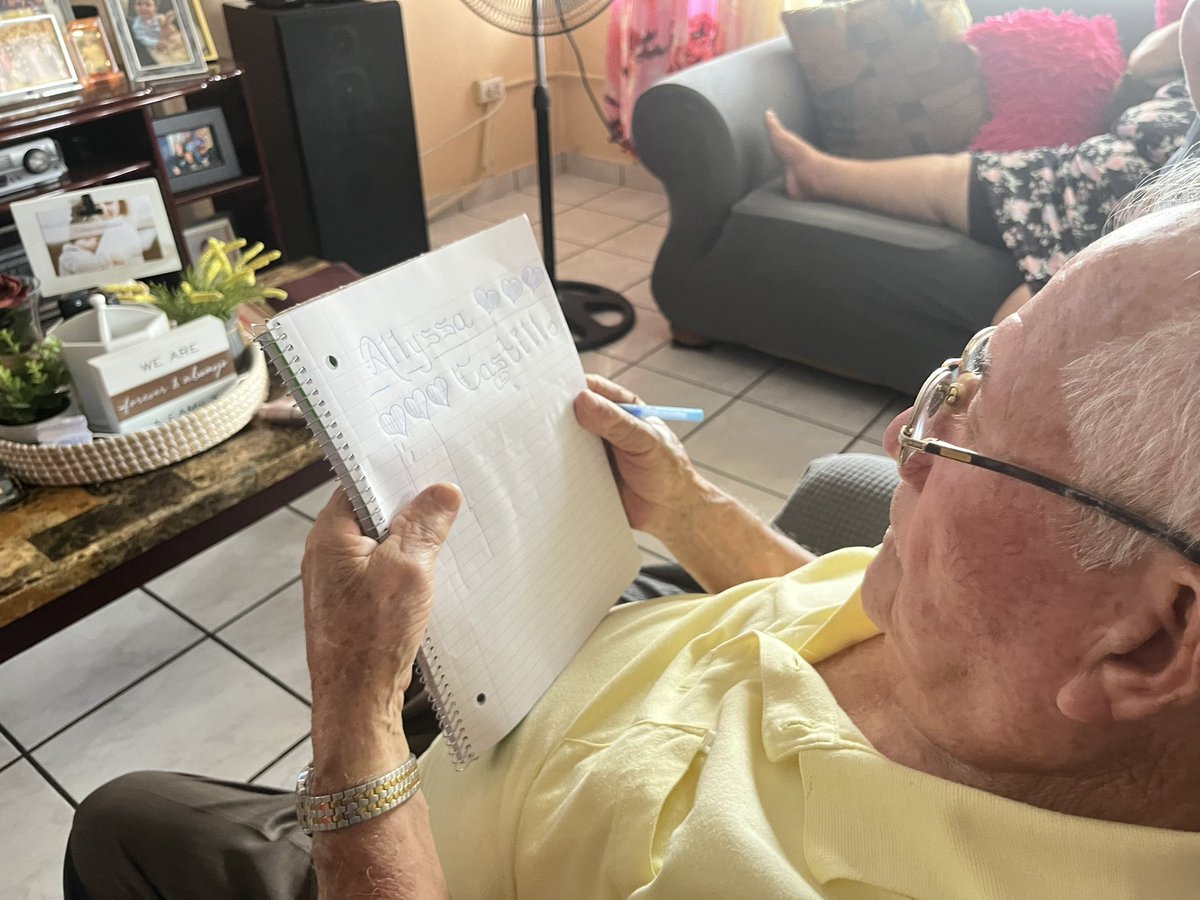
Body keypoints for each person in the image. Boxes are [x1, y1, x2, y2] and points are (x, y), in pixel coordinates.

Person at [63, 164, 1200, 894]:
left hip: (410, 856)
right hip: (584, 682)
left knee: (126, 818)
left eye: (966, 430)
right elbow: (850, 603)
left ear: (1146, 644)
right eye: (971, 364)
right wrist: (690, 508)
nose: (904, 432)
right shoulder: (1016, 646)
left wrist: (352, 721)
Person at [765, 2, 1200, 325]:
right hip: (1089, 169)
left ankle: (963, 427)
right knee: (969, 173)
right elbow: (1147, 63)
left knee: (1041, 312)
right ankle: (818, 174)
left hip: (1139, 201)